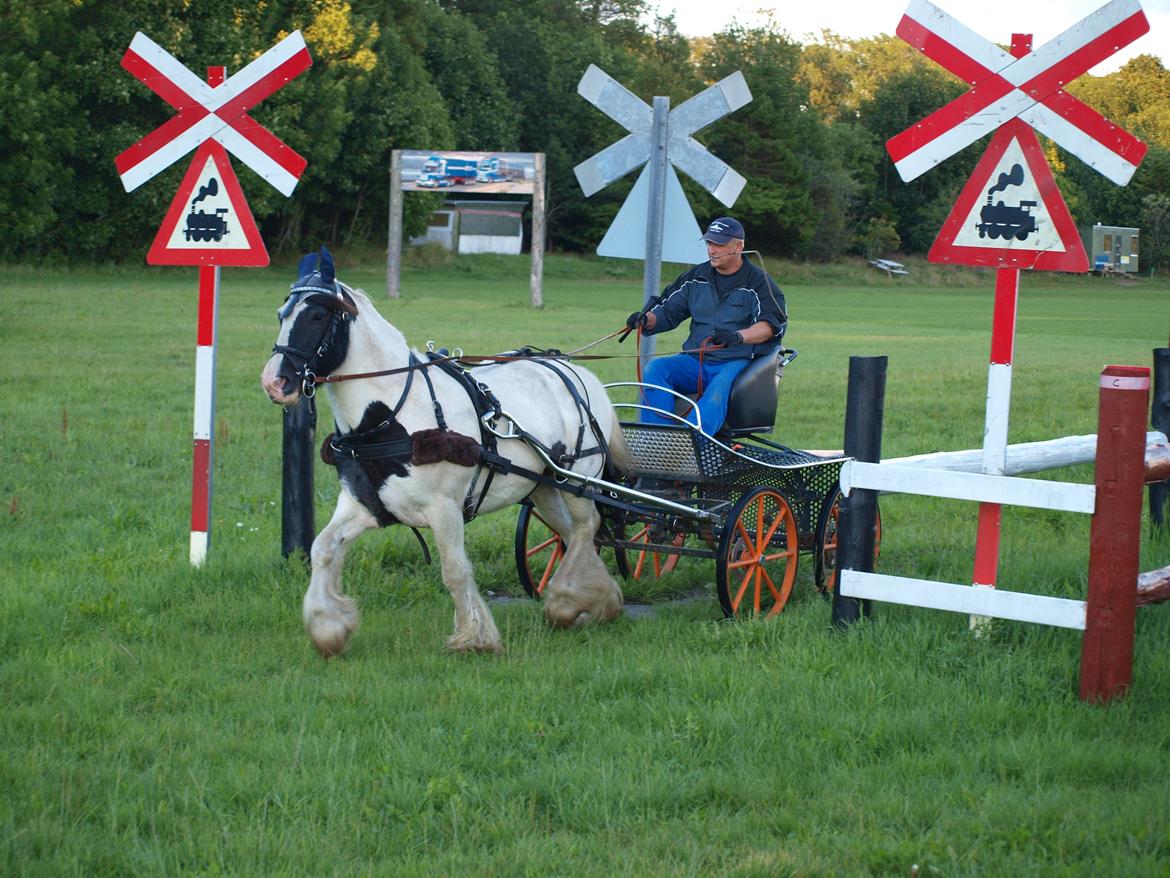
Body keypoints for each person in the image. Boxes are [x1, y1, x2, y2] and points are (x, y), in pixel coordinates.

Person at [626, 216, 787, 435]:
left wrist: (738, 336)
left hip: (735, 362)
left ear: (739, 246)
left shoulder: (759, 282)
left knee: (719, 389)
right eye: (710, 243)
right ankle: (656, 439)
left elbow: (771, 325)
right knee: (656, 368)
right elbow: (667, 311)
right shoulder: (695, 277)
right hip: (695, 360)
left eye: (719, 244)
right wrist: (646, 319)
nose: (712, 250)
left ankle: (691, 443)